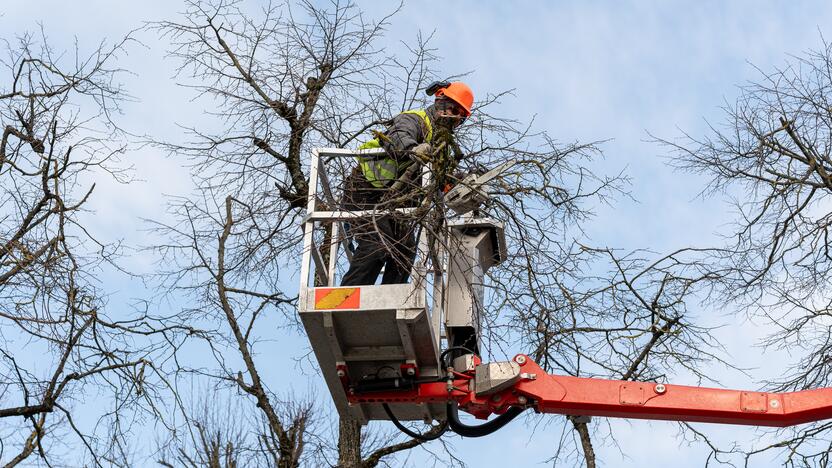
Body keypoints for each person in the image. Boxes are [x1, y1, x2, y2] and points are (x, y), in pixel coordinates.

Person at [340, 81, 474, 286]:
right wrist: (413, 149)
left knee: (405, 250)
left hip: (395, 204)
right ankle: (347, 298)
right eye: (452, 108)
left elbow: (444, 180)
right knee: (377, 245)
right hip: (365, 192)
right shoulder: (415, 120)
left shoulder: (441, 147)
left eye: (459, 115)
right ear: (440, 100)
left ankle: (390, 300)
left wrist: (466, 183)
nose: (453, 116)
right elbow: (397, 137)